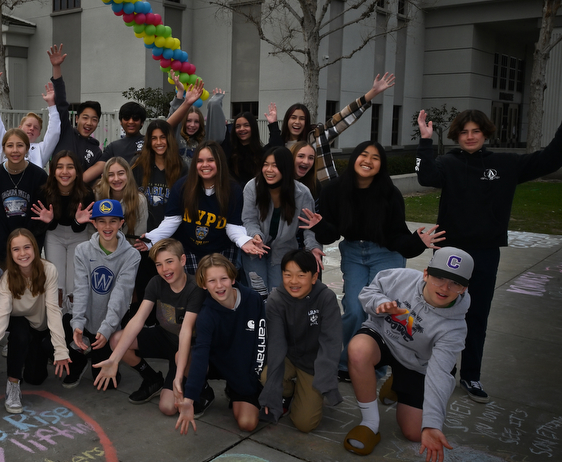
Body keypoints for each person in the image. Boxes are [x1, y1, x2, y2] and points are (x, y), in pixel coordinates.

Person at [416, 108, 562, 402]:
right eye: (464, 132)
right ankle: (439, 370)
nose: (470, 137)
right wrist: (426, 140)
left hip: (484, 252)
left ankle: (470, 375)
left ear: (485, 134)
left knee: (476, 316)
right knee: (437, 312)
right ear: (457, 135)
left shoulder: (505, 164)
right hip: (450, 252)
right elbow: (425, 176)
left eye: (476, 131)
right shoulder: (448, 163)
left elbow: (550, 159)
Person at [305, 141, 443, 378]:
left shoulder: (389, 193)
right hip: (353, 253)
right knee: (355, 309)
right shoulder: (335, 190)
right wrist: (319, 225)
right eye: (363, 155)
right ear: (354, 158)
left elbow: (397, 237)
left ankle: (376, 366)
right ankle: (347, 363)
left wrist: (417, 242)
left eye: (375, 158)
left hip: (386, 253)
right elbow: (331, 233)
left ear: (381, 165)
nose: (368, 161)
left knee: (380, 310)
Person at [343, 248, 474, 462]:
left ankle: (398, 383)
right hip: (384, 340)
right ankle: (370, 424)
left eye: (455, 283)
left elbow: (439, 374)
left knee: (414, 432)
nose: (444, 287)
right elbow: (369, 292)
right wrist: (379, 304)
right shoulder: (400, 277)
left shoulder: (455, 328)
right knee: (358, 350)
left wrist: (432, 425)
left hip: (419, 364)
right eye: (439, 277)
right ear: (425, 274)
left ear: (464, 288)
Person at [93, 239, 207, 416]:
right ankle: (151, 379)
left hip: (187, 347)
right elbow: (138, 319)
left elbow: (186, 331)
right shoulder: (156, 282)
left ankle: (203, 387)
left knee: (167, 408)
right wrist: (114, 359)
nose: (165, 270)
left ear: (182, 260)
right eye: (159, 264)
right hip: (164, 337)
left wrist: (177, 379)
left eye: (170, 262)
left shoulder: (195, 288)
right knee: (117, 339)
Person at [0, 229, 71, 414]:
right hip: (19, 323)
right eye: (16, 249)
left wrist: (60, 348)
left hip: (40, 326)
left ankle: (29, 354)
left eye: (26, 247)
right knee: (19, 333)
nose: (23, 253)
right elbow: (1, 315)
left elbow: (53, 309)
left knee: (35, 378)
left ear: (35, 247)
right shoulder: (7, 279)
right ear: (10, 253)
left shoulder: (48, 269)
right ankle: (13, 385)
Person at [175, 254, 267, 435]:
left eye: (223, 278)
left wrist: (253, 376)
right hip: (218, 363)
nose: (219, 286)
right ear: (203, 284)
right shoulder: (207, 315)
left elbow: (261, 341)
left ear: (233, 278)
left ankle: (234, 391)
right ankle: (204, 391)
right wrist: (190, 398)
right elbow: (201, 355)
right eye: (211, 281)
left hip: (244, 366)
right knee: (183, 358)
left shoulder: (253, 299)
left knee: (247, 424)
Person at [144, 142, 265, 274]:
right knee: (194, 290)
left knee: (218, 288)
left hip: (221, 248)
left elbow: (233, 226)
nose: (205, 165)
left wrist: (243, 240)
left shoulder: (233, 190)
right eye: (200, 161)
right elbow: (171, 221)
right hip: (189, 248)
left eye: (210, 160)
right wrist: (152, 238)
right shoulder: (182, 187)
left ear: (220, 162)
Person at [258, 250, 342, 433]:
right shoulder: (276, 300)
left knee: (305, 424)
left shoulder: (326, 298)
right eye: (287, 275)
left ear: (314, 277)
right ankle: (287, 392)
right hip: (289, 357)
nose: (293, 281)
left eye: (301, 275)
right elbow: (276, 343)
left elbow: (331, 343)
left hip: (314, 363)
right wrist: (272, 390)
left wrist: (326, 379)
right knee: (265, 377)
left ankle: (306, 392)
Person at [266, 72, 396, 183]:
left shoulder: (317, 137)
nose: (297, 122)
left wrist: (372, 93)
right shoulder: (280, 143)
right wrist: (273, 124)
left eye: (302, 118)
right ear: (287, 120)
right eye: (293, 117)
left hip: (322, 193)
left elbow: (342, 118)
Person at [66, 199, 141, 388]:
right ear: (94, 223)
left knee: (106, 383)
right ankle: (80, 357)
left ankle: (96, 352)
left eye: (113, 221)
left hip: (110, 323)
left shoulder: (132, 255)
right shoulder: (82, 250)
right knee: (64, 325)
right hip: (87, 318)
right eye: (102, 221)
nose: (107, 226)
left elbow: (120, 296)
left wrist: (107, 329)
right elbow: (81, 289)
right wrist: (78, 323)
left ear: (121, 223)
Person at [241, 146, 323, 298]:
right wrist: (255, 235)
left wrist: (313, 247)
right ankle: (259, 322)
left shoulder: (302, 193)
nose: (269, 170)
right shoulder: (252, 187)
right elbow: (248, 219)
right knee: (258, 293)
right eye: (266, 164)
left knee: (277, 295)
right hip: (255, 249)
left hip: (284, 251)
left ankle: (275, 322)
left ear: (285, 168)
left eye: (275, 165)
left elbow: (309, 227)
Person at [30, 150, 94, 309]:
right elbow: (46, 226)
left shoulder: (86, 194)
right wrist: (49, 221)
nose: (65, 172)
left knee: (75, 283)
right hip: (54, 235)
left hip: (78, 235)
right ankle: (56, 322)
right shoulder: (43, 192)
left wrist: (78, 222)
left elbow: (78, 228)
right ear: (52, 171)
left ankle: (74, 324)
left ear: (77, 172)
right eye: (60, 167)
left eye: (70, 167)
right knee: (56, 282)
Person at [0, 129, 49, 262]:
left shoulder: (39, 176)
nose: (15, 150)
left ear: (27, 148)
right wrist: (4, 248)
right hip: (4, 247)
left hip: (30, 246)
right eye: (10, 146)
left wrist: (29, 245)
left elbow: (38, 215)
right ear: (3, 148)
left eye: (20, 145)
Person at [47, 43, 103, 172]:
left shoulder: (96, 150)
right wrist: (56, 67)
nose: (89, 123)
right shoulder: (65, 131)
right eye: (85, 117)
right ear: (77, 119)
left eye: (94, 119)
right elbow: (61, 103)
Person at [131, 119, 188, 232]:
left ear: (169, 139)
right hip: (141, 233)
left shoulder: (181, 167)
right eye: (154, 138)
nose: (158, 142)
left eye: (162, 137)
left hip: (170, 234)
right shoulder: (138, 164)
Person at [167, 82, 228, 166]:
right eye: (188, 121)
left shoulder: (205, 139)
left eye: (196, 122)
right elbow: (169, 124)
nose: (192, 125)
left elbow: (217, 134)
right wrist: (180, 93)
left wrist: (215, 104)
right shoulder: (175, 135)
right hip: (177, 178)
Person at [94, 157, 149, 244]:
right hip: (101, 248)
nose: (116, 179)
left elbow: (138, 234)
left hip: (128, 249)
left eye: (120, 173)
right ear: (104, 177)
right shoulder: (97, 194)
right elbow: (91, 230)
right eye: (111, 175)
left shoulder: (140, 200)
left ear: (128, 175)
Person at [20, 80, 62, 168]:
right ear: (20, 127)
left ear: (39, 134)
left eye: (36, 127)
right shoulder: (8, 145)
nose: (31, 128)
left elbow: (54, 133)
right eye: (28, 125)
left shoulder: (41, 149)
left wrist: (51, 105)